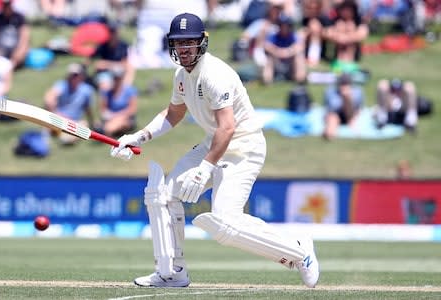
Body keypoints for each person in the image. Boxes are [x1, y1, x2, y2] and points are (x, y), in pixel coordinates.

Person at [110, 12, 319, 288]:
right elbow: (174, 114)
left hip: (244, 147)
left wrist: (204, 169)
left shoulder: (215, 75)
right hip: (215, 142)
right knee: (162, 195)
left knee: (225, 223)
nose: (183, 49)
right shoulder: (181, 76)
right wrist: (139, 136)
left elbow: (228, 127)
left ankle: (299, 251)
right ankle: (171, 272)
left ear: (201, 43)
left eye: (189, 42)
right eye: (178, 43)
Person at [44, 63, 96, 145]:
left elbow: (88, 109)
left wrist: (92, 124)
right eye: (72, 75)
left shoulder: (86, 90)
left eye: (76, 75)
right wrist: (54, 111)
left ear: (81, 76)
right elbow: (49, 98)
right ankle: (52, 135)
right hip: (59, 119)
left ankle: (65, 136)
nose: (74, 78)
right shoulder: (62, 85)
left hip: (75, 122)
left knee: (83, 125)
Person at [323, 0, 369, 74]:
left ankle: (348, 63)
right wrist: (339, 36)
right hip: (338, 51)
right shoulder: (335, 20)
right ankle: (340, 63)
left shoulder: (358, 21)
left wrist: (347, 37)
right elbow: (326, 32)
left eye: (349, 10)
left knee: (350, 26)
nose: (346, 12)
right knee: (341, 26)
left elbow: (363, 34)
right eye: (344, 9)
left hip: (352, 52)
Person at [86, 24, 136, 88]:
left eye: (114, 32)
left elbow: (125, 63)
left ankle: (125, 88)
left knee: (130, 68)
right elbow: (92, 58)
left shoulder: (123, 45)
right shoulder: (103, 45)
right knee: (104, 85)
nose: (113, 34)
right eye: (111, 32)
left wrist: (106, 64)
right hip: (105, 72)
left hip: (117, 69)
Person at [0, 0, 30, 69]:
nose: (6, 7)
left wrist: (20, 50)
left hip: (15, 48)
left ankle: (10, 67)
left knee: (22, 52)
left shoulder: (19, 17)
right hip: (1, 48)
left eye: (8, 5)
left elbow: (25, 36)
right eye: (4, 5)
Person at [262, 14, 307, 84]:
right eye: (282, 25)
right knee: (269, 58)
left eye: (286, 25)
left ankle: (300, 80)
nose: (284, 27)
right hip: (277, 63)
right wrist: (279, 52)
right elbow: (266, 46)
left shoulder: (293, 36)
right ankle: (267, 81)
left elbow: (300, 46)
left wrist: (286, 52)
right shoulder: (273, 36)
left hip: (290, 64)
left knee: (299, 57)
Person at [323, 72, 364, 140]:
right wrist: (342, 98)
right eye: (342, 84)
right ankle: (330, 134)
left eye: (346, 84)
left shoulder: (357, 92)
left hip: (351, 114)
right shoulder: (330, 92)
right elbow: (330, 109)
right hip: (335, 114)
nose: (344, 87)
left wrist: (347, 98)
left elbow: (359, 108)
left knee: (353, 120)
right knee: (333, 118)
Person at [98, 66, 138, 137]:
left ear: (122, 78)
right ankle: (108, 131)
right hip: (110, 118)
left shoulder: (129, 90)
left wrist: (117, 115)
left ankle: (107, 131)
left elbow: (132, 109)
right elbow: (103, 109)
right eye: (115, 77)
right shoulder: (107, 92)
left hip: (126, 118)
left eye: (118, 77)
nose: (116, 80)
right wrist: (110, 115)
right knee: (110, 124)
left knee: (112, 125)